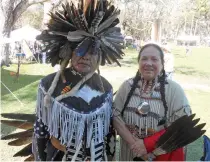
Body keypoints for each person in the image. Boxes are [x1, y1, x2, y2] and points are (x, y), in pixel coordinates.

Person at [32, 0, 124, 161]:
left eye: (93, 51)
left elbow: (108, 132)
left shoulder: (105, 88)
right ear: (69, 52)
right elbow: (41, 131)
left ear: (99, 57)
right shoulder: (48, 85)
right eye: (80, 49)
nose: (86, 57)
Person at [113, 43, 191, 161]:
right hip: (129, 153)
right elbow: (115, 115)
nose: (148, 63)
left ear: (162, 63)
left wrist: (147, 145)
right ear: (138, 62)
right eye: (144, 59)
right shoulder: (126, 87)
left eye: (154, 59)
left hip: (160, 155)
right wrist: (135, 145)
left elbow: (182, 125)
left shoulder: (174, 89)